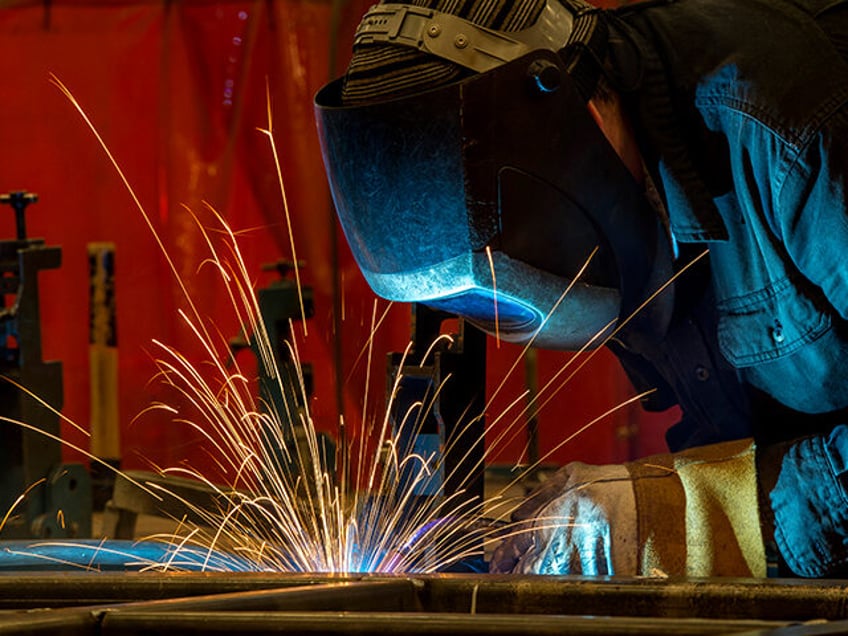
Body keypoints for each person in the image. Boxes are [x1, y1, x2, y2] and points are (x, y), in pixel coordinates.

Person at [314, 0, 848, 578]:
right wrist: (658, 496)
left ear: (587, 119)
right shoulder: (617, 187)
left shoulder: (791, 129)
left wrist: (712, 511)